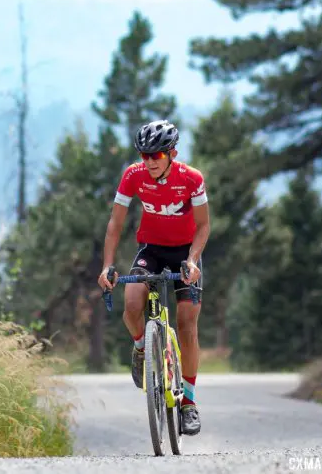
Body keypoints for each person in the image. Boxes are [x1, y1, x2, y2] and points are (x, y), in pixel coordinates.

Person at [97, 119, 210, 436]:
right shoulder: (133, 175)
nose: (149, 162)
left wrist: (192, 260)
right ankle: (142, 348)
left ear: (172, 153)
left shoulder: (191, 179)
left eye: (156, 156)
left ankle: (188, 404)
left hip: (186, 253)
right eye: (144, 155)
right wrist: (107, 266)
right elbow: (115, 225)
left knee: (187, 323)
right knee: (132, 304)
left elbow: (203, 226)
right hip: (152, 250)